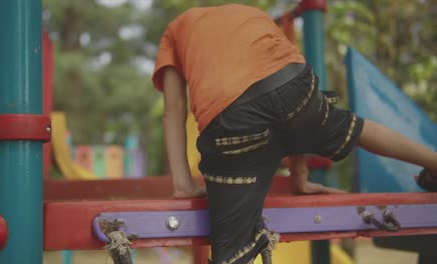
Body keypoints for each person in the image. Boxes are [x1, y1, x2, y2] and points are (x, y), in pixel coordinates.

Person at [152, 4, 437, 264]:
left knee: (231, 254)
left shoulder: (175, 30)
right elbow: (279, 80)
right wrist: (299, 178)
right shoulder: (247, 13)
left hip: (233, 121)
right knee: (353, 126)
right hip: (295, 89)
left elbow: (174, 108)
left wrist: (183, 184)